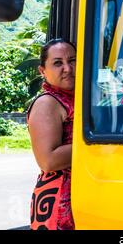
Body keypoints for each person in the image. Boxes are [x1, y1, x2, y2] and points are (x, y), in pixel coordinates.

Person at [27, 39, 76, 230]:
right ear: (42, 71)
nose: (67, 68)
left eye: (72, 60)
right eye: (58, 63)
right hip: (60, 201)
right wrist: (99, 143)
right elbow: (48, 160)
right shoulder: (47, 102)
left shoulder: (78, 97)